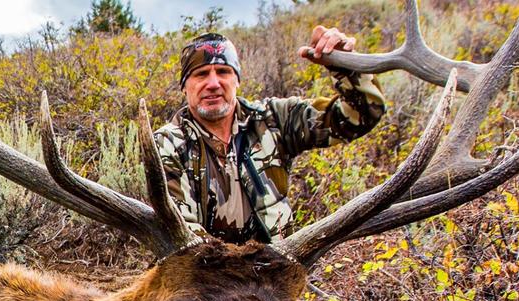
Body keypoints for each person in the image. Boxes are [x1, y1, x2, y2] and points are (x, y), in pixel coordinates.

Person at [154, 28, 387, 244]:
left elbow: (362, 115)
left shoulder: (273, 119)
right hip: (208, 280)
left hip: (278, 274)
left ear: (237, 80)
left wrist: (347, 68)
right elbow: (183, 235)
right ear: (185, 86)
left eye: (224, 72)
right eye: (201, 74)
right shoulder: (168, 144)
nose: (213, 83)